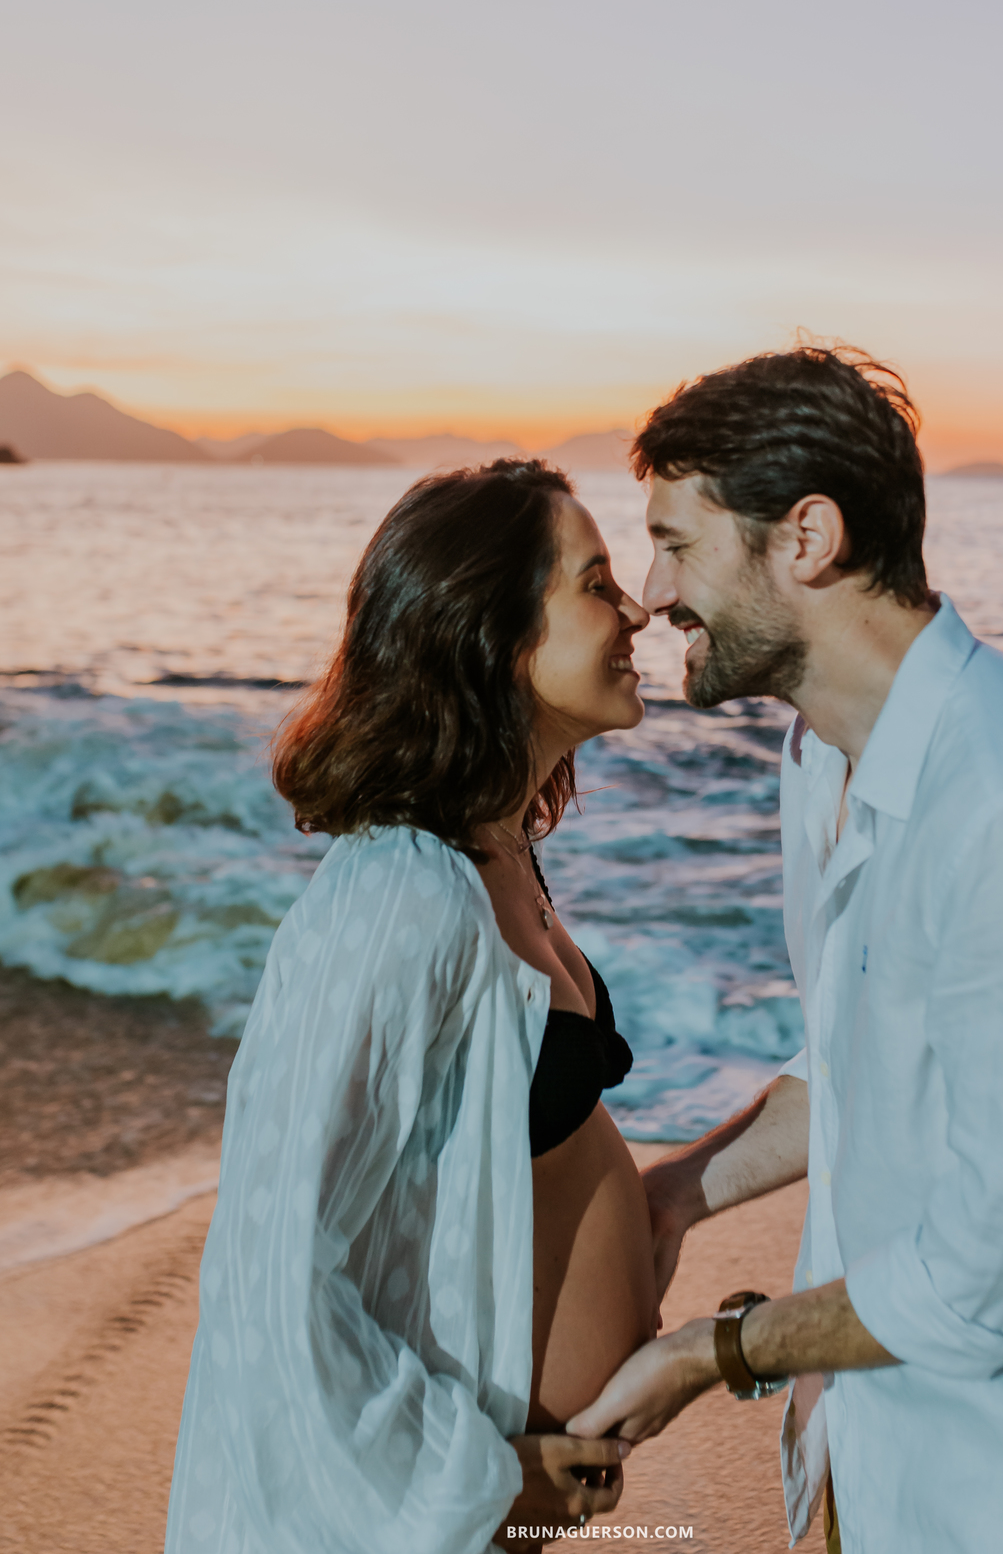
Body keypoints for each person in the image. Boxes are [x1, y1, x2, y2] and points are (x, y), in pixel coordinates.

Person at [569, 347, 1003, 1552]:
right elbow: (857, 1059)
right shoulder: (821, 762)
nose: (650, 594)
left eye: (678, 543)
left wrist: (723, 1351)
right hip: (889, 1460)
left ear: (805, 539)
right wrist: (673, 1200)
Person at [166, 459, 659, 1554]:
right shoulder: (400, 894)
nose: (639, 611)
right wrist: (480, 1482)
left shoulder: (503, 851)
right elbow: (273, 1259)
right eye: (596, 583)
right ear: (493, 633)